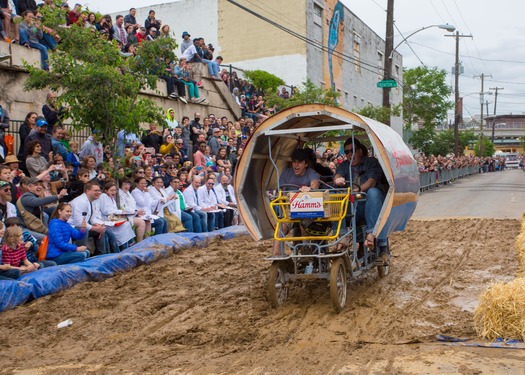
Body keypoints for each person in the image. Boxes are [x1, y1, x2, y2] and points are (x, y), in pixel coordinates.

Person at [333, 138, 388, 261]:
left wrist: (357, 191)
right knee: (334, 196)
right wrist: (338, 179)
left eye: (353, 151)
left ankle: (372, 234)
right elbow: (338, 174)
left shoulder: (371, 162)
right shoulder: (344, 165)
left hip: (368, 204)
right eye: (347, 152)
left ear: (360, 151)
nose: (350, 155)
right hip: (351, 205)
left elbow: (371, 181)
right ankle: (342, 235)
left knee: (373, 192)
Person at [272, 148, 320, 256]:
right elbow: (281, 191)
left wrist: (309, 189)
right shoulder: (286, 173)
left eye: (299, 162)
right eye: (294, 162)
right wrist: (286, 197)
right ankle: (276, 255)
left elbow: (315, 185)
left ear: (306, 163)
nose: (296, 165)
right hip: (290, 209)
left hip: (307, 209)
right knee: (280, 228)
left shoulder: (312, 174)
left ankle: (306, 250)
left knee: (304, 221)